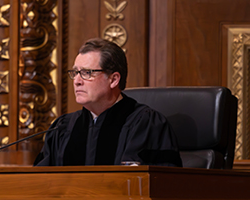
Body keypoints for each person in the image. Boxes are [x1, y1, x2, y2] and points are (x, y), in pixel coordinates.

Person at [34, 38, 182, 167]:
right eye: (75, 73)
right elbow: (41, 183)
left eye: (87, 73)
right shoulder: (63, 128)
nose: (77, 81)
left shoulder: (146, 125)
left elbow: (159, 184)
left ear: (113, 80)